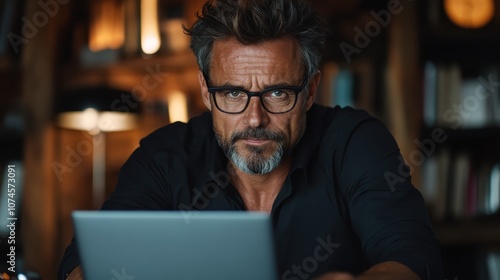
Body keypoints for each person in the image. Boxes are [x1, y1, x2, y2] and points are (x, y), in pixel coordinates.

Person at [59, 0, 444, 279]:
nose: (255, 118)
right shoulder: (164, 158)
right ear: (206, 92)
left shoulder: (356, 143)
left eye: (278, 93)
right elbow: (83, 266)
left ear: (310, 91)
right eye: (233, 94)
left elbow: (411, 258)